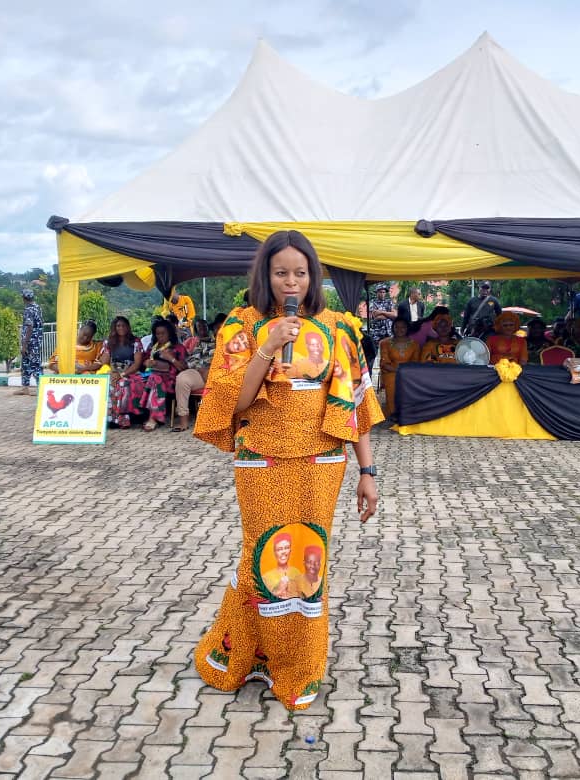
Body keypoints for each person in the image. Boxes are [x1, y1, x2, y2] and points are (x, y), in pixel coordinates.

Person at [192, 229, 381, 712]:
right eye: (281, 273)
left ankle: (298, 666)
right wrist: (267, 345)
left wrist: (368, 472)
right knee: (264, 561)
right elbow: (230, 400)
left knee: (307, 564)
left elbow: (356, 403)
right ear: (265, 275)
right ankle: (247, 654)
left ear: (313, 275)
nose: (291, 283)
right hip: (260, 459)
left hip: (321, 462)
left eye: (300, 273)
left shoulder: (339, 327)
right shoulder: (242, 324)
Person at [141, 319, 187, 431]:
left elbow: (184, 368)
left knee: (155, 379)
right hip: (151, 376)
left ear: (169, 333)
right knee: (133, 381)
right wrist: (147, 362)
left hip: (172, 380)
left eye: (163, 333)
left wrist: (170, 358)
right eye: (157, 334)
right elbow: (142, 363)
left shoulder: (178, 348)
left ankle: (152, 418)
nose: (160, 336)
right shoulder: (153, 347)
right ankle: (134, 416)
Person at [101, 316, 145, 428]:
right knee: (107, 384)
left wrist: (122, 374)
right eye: (118, 326)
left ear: (128, 327)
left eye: (124, 325)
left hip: (130, 372)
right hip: (113, 371)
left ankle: (122, 420)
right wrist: (111, 372)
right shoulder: (109, 342)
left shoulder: (136, 342)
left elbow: (137, 364)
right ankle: (110, 419)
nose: (121, 328)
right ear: (114, 328)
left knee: (122, 384)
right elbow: (104, 362)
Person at [172, 319, 216, 432]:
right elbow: (192, 359)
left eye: (204, 326)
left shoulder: (222, 342)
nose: (202, 329)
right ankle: (183, 421)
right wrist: (201, 370)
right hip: (200, 372)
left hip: (216, 373)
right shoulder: (198, 343)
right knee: (182, 378)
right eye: (199, 327)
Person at [378, 317, 419, 416]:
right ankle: (392, 413)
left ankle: (407, 413)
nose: (400, 329)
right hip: (391, 372)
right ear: (392, 328)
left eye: (403, 327)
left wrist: (405, 372)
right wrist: (398, 371)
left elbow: (415, 362)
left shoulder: (415, 344)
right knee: (392, 380)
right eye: (397, 327)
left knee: (409, 383)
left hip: (409, 373)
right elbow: (384, 363)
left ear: (407, 328)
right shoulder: (385, 343)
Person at [15, 289, 43, 396]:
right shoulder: (37, 307)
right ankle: (25, 387)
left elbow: (30, 327)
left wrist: (25, 344)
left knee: (35, 364)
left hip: (31, 342)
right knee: (26, 364)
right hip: (35, 340)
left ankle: (41, 388)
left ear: (24, 298)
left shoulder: (28, 310)